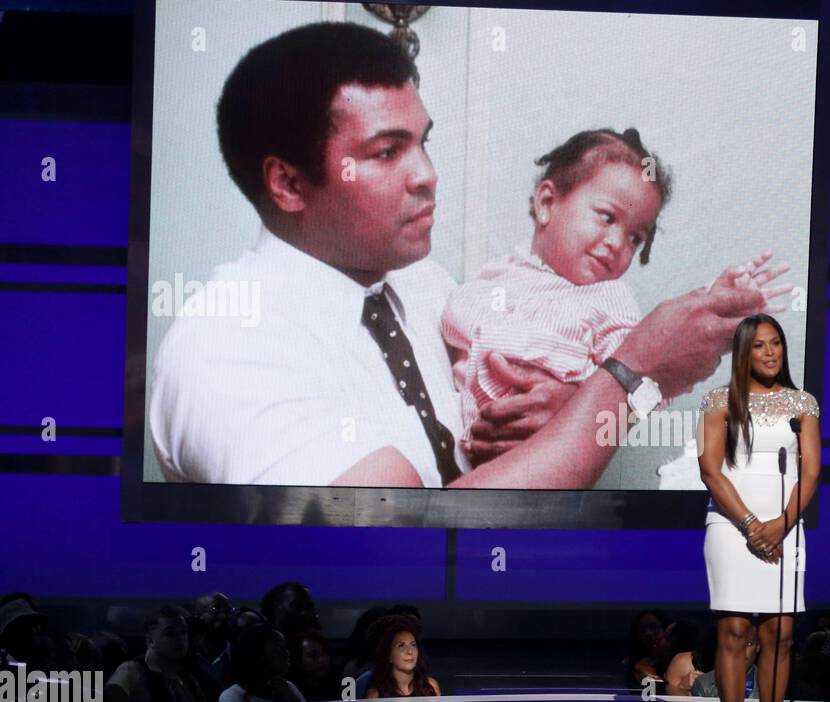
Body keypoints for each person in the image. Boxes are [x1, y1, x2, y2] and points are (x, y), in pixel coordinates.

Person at [148, 22, 770, 489]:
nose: (427, 174)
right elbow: (407, 544)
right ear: (287, 183)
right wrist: (632, 377)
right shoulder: (225, 345)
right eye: (388, 151)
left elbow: (511, 409)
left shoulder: (423, 284)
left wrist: (568, 410)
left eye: (423, 143)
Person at [696, 315, 820, 702]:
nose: (770, 353)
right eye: (760, 346)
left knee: (782, 634)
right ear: (743, 353)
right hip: (731, 526)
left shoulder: (802, 404)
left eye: (777, 345)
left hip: (785, 529)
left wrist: (780, 526)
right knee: (733, 629)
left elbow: (809, 473)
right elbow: (711, 469)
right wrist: (750, 524)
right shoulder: (719, 401)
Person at [218, 624, 305, 702]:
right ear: (257, 655)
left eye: (285, 648)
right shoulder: (233, 697)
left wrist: (292, 700)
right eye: (277, 650)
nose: (287, 653)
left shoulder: (288, 687)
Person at [364, 614, 441, 699]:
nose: (410, 651)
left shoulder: (430, 686)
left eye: (413, 645)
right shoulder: (375, 695)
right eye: (401, 646)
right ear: (389, 655)